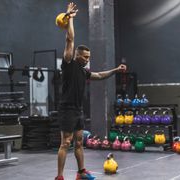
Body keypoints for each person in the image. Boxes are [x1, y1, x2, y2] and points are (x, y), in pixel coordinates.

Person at [55, 2, 127, 180]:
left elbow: (100, 75)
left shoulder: (84, 71)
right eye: (85, 57)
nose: (88, 59)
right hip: (67, 109)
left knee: (79, 142)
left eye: (89, 57)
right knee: (65, 143)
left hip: (78, 110)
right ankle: (60, 176)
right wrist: (70, 18)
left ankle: (81, 173)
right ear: (77, 55)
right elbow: (70, 39)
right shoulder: (69, 64)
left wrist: (115, 70)